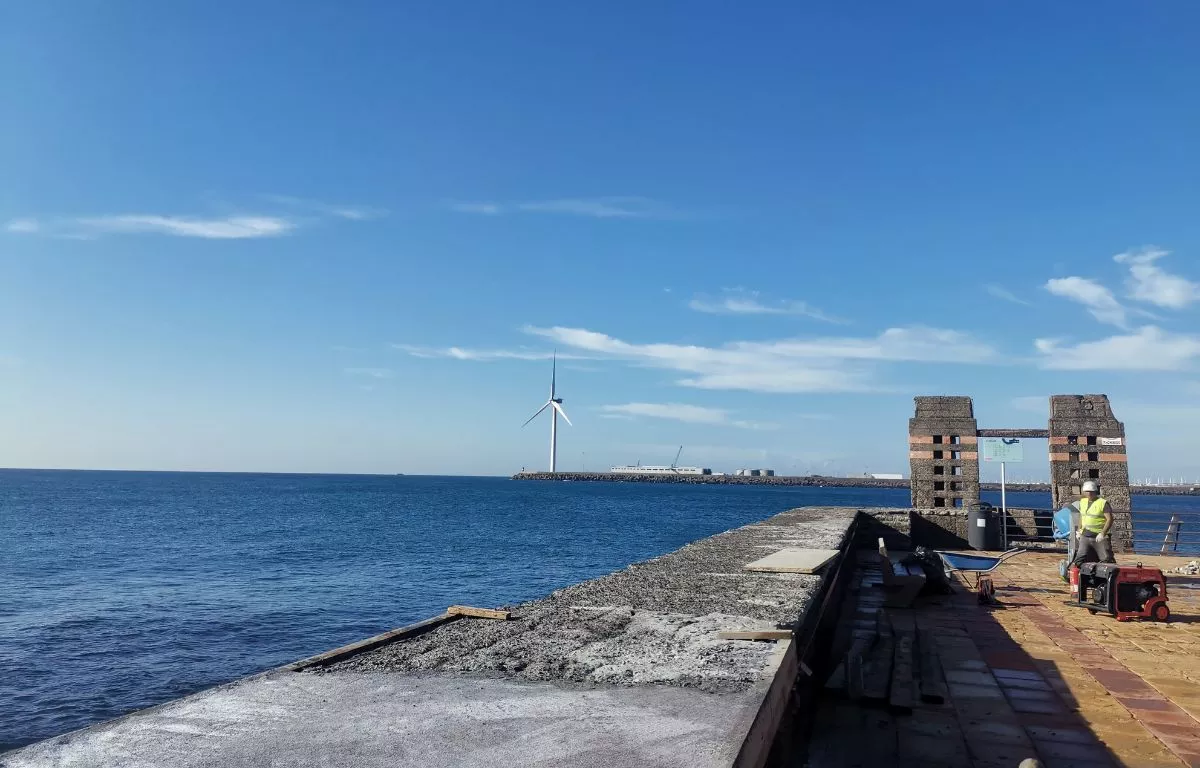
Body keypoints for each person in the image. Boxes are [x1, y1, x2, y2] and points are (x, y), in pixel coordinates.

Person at [1072, 480, 1115, 567]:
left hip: (1099, 536)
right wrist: (1079, 530)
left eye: (1091, 492)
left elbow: (1109, 519)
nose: (1089, 494)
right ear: (1084, 492)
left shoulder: (1103, 503)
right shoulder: (1082, 502)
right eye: (1087, 491)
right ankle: (1081, 577)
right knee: (1079, 558)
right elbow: (1082, 517)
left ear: (1095, 491)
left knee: (1106, 559)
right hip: (1085, 535)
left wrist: (1102, 533)